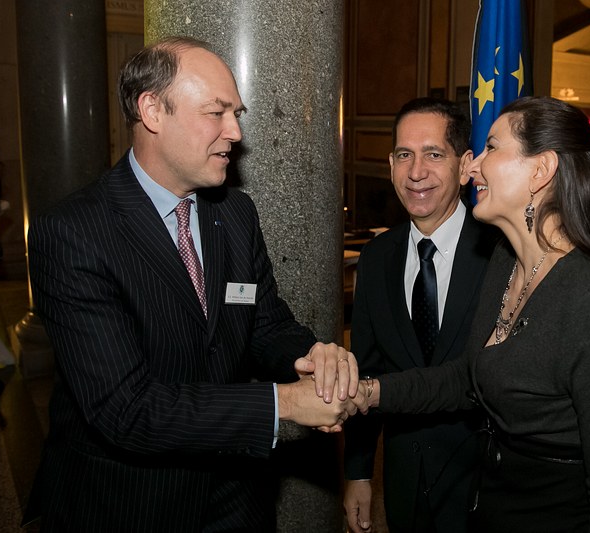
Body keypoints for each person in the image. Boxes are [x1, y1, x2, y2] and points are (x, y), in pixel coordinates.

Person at [24, 36, 362, 532]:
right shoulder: (73, 233)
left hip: (236, 495)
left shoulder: (236, 212)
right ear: (152, 111)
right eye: (216, 112)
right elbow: (127, 409)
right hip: (129, 504)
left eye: (236, 113)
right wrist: (286, 402)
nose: (235, 132)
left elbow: (264, 323)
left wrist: (312, 356)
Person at [354, 96, 590, 532]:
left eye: (491, 148)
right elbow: (469, 378)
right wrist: (366, 393)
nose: (472, 166)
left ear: (540, 171)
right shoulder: (506, 262)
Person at [343, 98, 496, 533]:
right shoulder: (376, 259)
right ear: (390, 164)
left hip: (484, 487)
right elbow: (367, 368)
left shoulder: (501, 253)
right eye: (404, 155)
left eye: (433, 154)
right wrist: (358, 473)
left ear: (464, 166)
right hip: (404, 484)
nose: (416, 172)